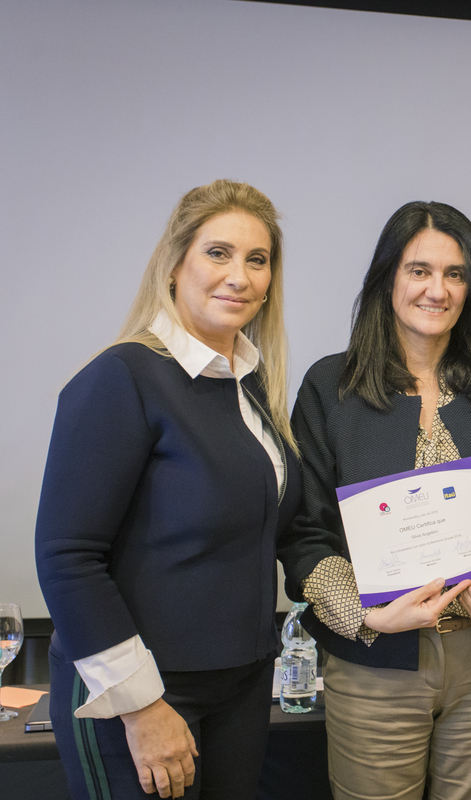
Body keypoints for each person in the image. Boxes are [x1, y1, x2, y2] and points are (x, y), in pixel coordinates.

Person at [277, 200, 471, 800]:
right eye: (419, 270)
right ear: (388, 279)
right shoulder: (331, 388)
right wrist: (365, 616)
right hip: (375, 662)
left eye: (455, 274)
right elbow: (305, 530)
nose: (437, 290)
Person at [35, 180, 303, 799]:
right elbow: (68, 557)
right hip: (138, 692)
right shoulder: (120, 377)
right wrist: (142, 706)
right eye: (218, 253)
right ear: (175, 264)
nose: (238, 276)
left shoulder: (250, 385)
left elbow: (273, 529)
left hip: (241, 681)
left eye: (257, 260)